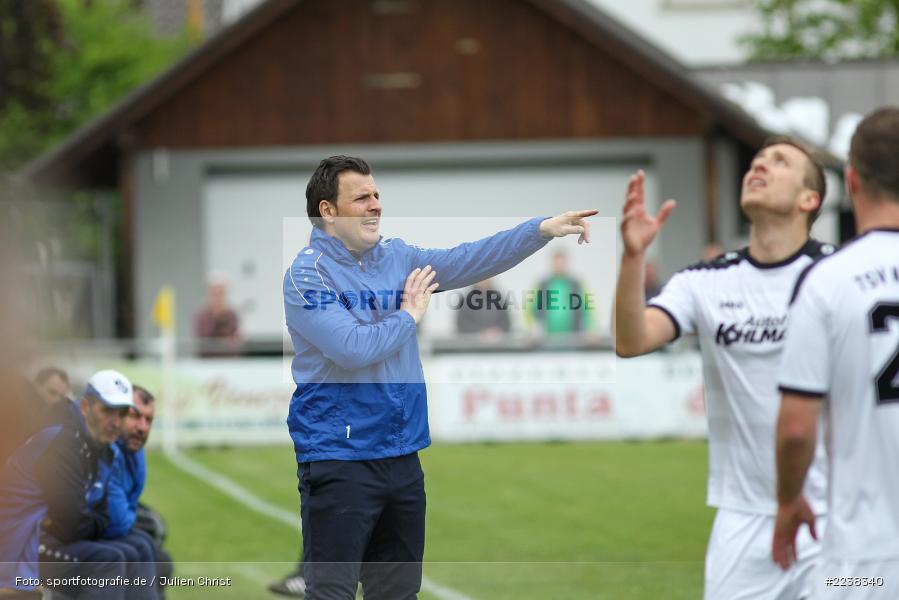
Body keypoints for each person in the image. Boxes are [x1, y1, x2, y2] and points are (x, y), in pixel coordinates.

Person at [283, 155, 596, 600]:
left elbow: (469, 258)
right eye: (362, 198)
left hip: (403, 457)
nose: (375, 205)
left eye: (377, 195)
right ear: (328, 211)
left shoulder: (398, 257)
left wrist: (539, 230)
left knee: (398, 594)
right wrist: (409, 315)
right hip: (340, 458)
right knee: (331, 593)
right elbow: (352, 348)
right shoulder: (306, 275)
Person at [614, 137, 832, 600]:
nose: (759, 166)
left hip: (833, 515)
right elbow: (631, 341)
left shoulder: (837, 274)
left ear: (808, 199)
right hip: (743, 521)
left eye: (779, 162)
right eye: (757, 161)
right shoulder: (704, 281)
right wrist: (633, 258)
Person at [772, 107, 899, 598]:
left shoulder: (828, 279)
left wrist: (788, 500)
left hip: (864, 562)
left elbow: (797, 427)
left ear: (852, 180)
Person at [0, 369, 147, 599]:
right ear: (85, 407)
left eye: (121, 413)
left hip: (46, 539)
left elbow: (100, 516)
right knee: (108, 562)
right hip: (18, 546)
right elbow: (72, 525)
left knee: (134, 550)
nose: (115, 422)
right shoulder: (63, 440)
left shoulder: (101, 446)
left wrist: (84, 519)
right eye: (107, 410)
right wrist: (84, 519)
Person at [103, 385, 173, 598]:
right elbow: (116, 521)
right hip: (80, 534)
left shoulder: (135, 450)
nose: (142, 427)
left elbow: (131, 501)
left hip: (110, 526)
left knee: (156, 553)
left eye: (148, 420)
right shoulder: (105, 449)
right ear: (117, 415)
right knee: (137, 551)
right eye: (135, 416)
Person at [529, 249, 595, 338]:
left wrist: (591, 329)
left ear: (566, 263)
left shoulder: (577, 284)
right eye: (557, 263)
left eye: (561, 263)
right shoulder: (542, 285)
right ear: (552, 263)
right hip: (547, 339)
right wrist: (531, 330)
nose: (559, 266)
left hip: (573, 338)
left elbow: (588, 309)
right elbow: (530, 310)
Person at [194, 273, 243, 357]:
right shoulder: (202, 316)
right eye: (215, 293)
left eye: (221, 293)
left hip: (228, 359)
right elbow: (204, 341)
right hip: (208, 361)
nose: (218, 297)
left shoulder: (232, 314)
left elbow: (236, 340)